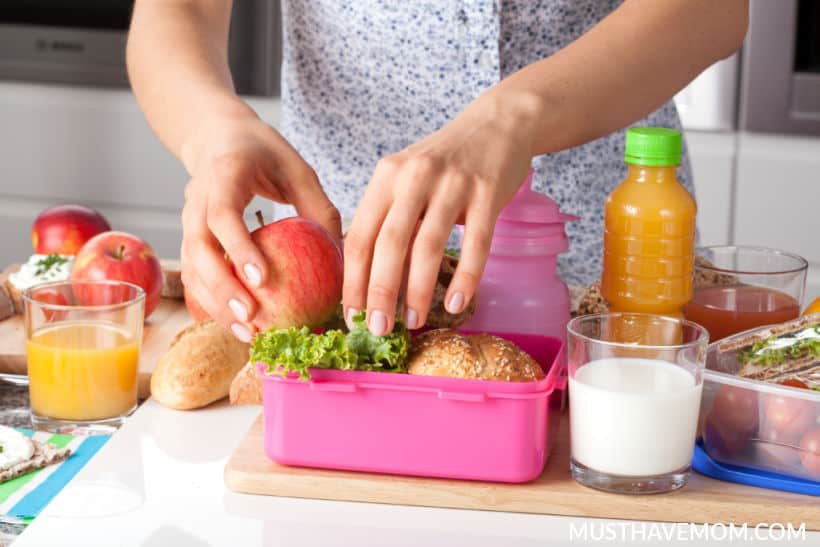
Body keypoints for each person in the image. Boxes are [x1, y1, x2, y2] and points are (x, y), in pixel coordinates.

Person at [127, 0, 748, 342]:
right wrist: (213, 131)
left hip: (613, 269)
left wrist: (513, 118)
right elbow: (176, 10)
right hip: (349, 281)